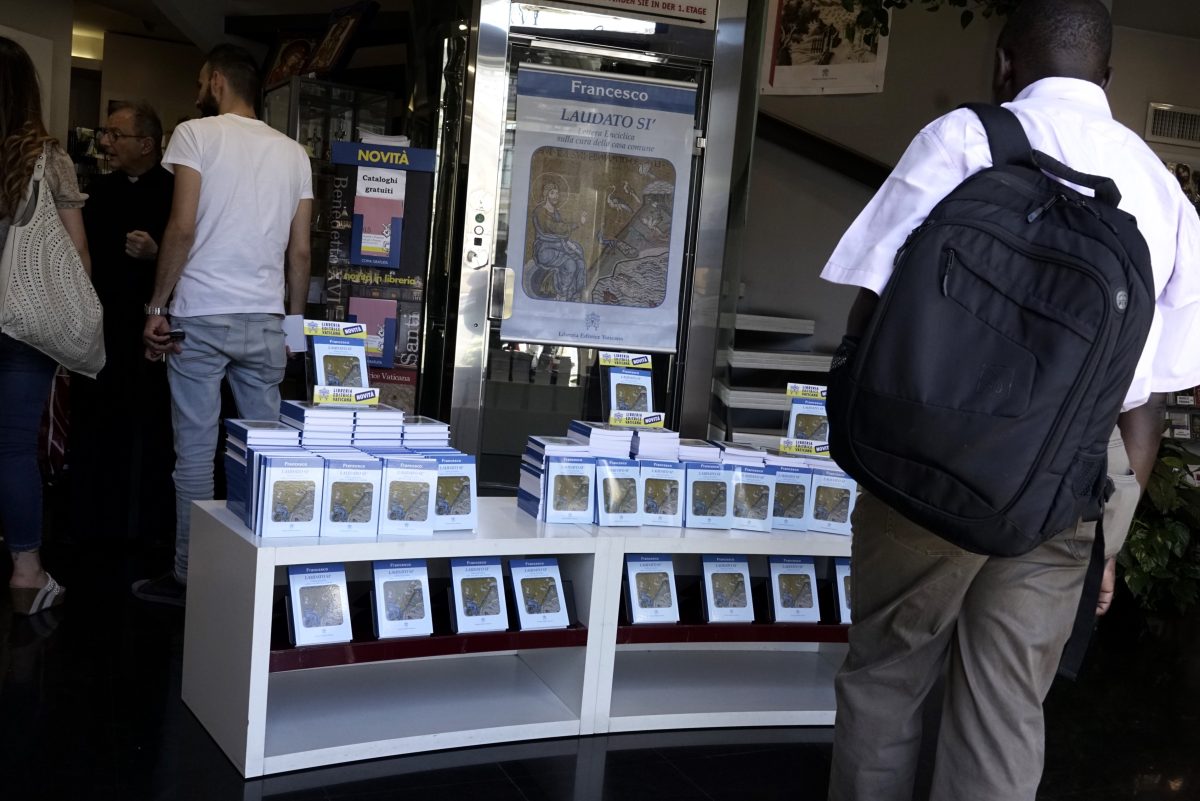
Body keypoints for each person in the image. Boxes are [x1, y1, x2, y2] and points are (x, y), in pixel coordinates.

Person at [820, 2, 1200, 800]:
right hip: (1067, 486)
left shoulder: (962, 139)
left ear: (1004, 63)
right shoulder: (1164, 194)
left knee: (888, 676)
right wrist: (1108, 542)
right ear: (1108, 76)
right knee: (1004, 707)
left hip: (929, 456)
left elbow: (872, 305)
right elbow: (1149, 400)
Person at [132, 43, 312, 606]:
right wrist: (294, 331)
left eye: (199, 81)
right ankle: (263, 577)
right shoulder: (295, 153)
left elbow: (182, 227)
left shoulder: (195, 134)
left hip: (200, 317)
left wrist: (156, 307)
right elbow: (300, 252)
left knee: (195, 451)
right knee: (265, 454)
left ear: (215, 82)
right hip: (266, 320)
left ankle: (190, 576)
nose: (198, 90)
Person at [0, 36, 91, 614]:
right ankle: (27, 572)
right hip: (24, 322)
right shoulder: (47, 157)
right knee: (13, 448)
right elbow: (76, 251)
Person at [70, 101, 175, 543]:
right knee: (96, 425)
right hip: (101, 326)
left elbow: (192, 256)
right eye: (105, 134)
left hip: (153, 329)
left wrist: (158, 253)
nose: (105, 142)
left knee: (150, 429)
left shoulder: (174, 193)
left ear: (146, 144)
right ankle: (91, 523)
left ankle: (144, 531)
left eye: (116, 135)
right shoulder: (98, 190)